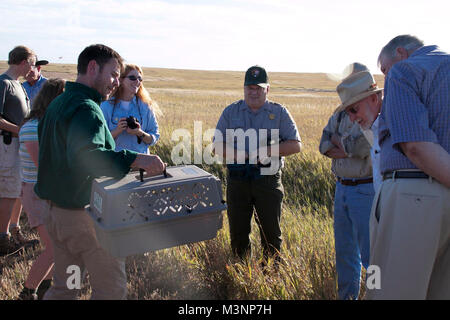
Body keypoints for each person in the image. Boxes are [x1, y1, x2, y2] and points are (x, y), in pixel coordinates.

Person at [34, 44, 166, 300]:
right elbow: (89, 156)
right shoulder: (87, 108)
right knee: (110, 290)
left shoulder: (59, 102)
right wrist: (137, 159)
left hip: (57, 218)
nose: (116, 82)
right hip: (86, 223)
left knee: (67, 286)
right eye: (114, 74)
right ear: (93, 67)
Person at [366, 35, 450, 299]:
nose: (386, 77)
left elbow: (415, 146)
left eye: (385, 69)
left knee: (382, 286)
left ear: (401, 53)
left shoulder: (406, 70)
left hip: (411, 197)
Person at [213, 65, 301, 264]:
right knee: (238, 235)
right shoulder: (231, 112)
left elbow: (296, 145)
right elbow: (217, 146)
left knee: (271, 236)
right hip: (238, 180)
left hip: (268, 180)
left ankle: (271, 278)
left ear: (267, 89)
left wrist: (267, 152)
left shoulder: (279, 113)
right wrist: (244, 156)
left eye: (258, 88)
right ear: (244, 89)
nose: (254, 92)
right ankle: (242, 278)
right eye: (250, 88)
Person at [319, 63, 381, 300]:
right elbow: (324, 144)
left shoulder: (373, 115)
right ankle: (347, 297)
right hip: (342, 187)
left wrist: (341, 142)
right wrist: (343, 144)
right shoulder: (340, 113)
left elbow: (361, 147)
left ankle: (377, 295)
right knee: (345, 253)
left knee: (371, 255)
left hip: (365, 190)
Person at [17, 78, 66, 300]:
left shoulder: (52, 125)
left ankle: (45, 287)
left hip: (52, 195)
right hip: (37, 195)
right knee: (55, 248)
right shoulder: (31, 128)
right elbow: (45, 167)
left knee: (57, 247)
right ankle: (27, 293)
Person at [0, 46, 34, 256]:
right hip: (7, 146)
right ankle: (3, 241)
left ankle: (14, 231)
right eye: (32, 62)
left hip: (17, 146)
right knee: (7, 193)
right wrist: (20, 130)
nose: (33, 67)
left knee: (16, 191)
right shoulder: (3, 83)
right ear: (23, 62)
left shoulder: (18, 85)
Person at [100, 64, 161, 154]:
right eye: (132, 78)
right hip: (116, 163)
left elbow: (154, 138)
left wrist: (139, 132)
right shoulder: (106, 105)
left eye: (140, 79)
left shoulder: (145, 106)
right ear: (121, 79)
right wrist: (117, 130)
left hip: (141, 162)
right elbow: (99, 139)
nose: (137, 81)